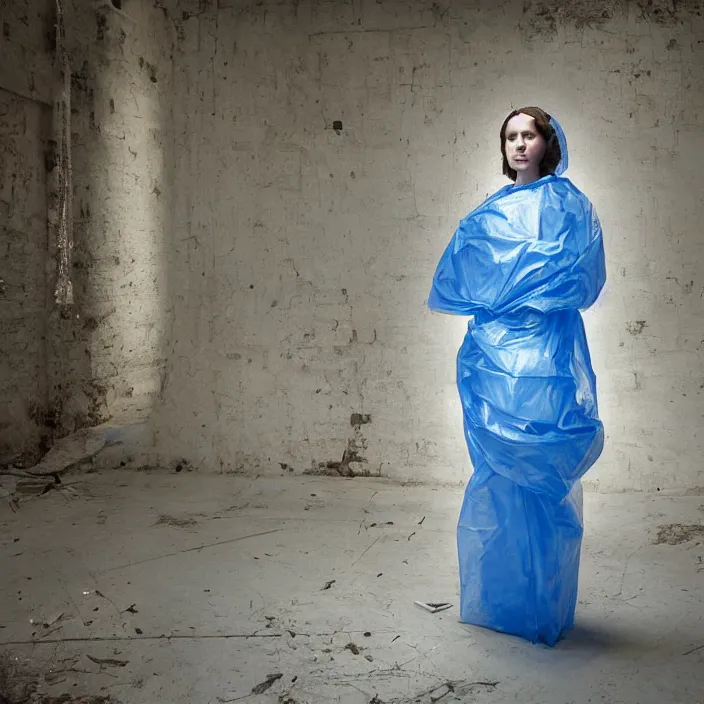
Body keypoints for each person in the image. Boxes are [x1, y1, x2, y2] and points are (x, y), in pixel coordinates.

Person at [428, 107, 606, 646]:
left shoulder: (570, 206)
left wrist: (521, 290)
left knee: (542, 472)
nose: (520, 144)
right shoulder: (488, 214)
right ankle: (501, 603)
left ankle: (541, 606)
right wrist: (515, 292)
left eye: (529, 135)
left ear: (548, 142)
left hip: (545, 359)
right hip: (496, 360)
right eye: (511, 136)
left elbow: (582, 278)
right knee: (500, 477)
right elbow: (461, 279)